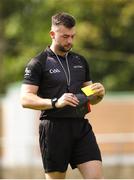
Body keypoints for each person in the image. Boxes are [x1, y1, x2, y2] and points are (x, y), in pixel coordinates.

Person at [21, 12, 105, 179]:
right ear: (52, 34)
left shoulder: (80, 61)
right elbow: (25, 99)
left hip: (81, 127)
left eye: (73, 36)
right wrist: (55, 102)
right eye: (65, 36)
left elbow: (91, 98)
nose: (70, 41)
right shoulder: (38, 62)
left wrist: (99, 94)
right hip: (54, 129)